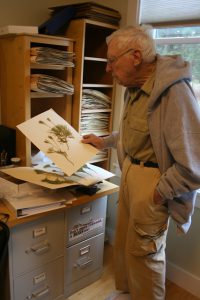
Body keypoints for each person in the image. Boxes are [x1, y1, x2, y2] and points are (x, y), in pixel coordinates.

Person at [82, 25, 200, 300]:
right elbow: (141, 132)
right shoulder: (135, 87)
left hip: (153, 182)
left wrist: (158, 193)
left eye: (112, 60)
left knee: (146, 254)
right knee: (125, 244)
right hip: (131, 173)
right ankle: (127, 294)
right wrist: (105, 141)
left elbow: (194, 163)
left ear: (136, 56)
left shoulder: (174, 93)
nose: (109, 69)